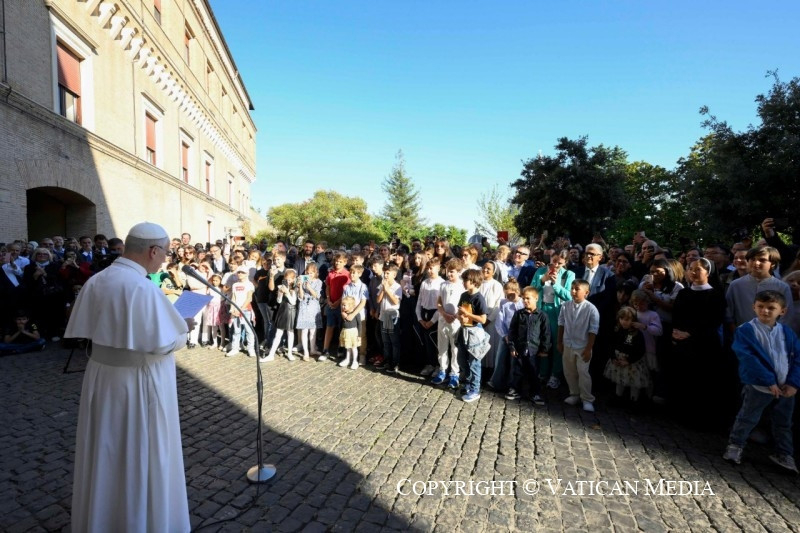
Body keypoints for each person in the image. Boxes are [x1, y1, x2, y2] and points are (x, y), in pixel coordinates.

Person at [65, 221, 192, 532]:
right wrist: (184, 327)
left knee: (105, 451)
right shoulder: (142, 287)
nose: (165, 259)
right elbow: (163, 342)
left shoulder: (97, 280)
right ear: (153, 251)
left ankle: (103, 520)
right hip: (137, 383)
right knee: (140, 452)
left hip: (102, 379)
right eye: (165, 252)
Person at [723, 290, 800, 473]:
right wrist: (767, 381)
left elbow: (797, 358)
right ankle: (735, 445)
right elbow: (748, 358)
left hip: (784, 388)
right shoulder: (746, 331)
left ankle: (784, 453)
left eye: (771, 308)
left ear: (782, 311)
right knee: (747, 417)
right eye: (761, 307)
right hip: (758, 386)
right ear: (754, 307)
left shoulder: (787, 333)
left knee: (783, 422)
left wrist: (793, 383)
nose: (765, 311)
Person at [531, 250, 575, 390]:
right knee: (542, 342)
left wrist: (556, 284)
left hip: (558, 312)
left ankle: (555, 375)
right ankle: (543, 372)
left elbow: (569, 296)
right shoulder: (540, 271)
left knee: (557, 343)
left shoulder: (568, 274)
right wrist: (542, 281)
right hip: (541, 310)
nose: (555, 265)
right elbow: (531, 291)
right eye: (554, 261)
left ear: (565, 263)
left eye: (559, 263)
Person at [558, 280, 600, 412]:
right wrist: (559, 342)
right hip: (568, 344)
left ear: (586, 293)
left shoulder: (591, 309)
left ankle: (587, 398)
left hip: (583, 346)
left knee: (583, 372)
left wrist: (588, 348)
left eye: (577, 289)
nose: (573, 291)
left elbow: (593, 330)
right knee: (569, 371)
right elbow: (561, 324)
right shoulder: (565, 306)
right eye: (572, 288)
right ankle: (574, 393)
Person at [505, 286, 551, 405]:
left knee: (534, 372)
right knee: (517, 370)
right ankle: (515, 389)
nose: (525, 301)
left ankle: (535, 393)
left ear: (536, 298)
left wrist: (544, 349)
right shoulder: (519, 314)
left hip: (534, 350)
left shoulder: (542, 316)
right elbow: (512, 331)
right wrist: (512, 346)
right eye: (523, 298)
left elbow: (546, 333)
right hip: (520, 348)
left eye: (528, 298)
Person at [604, 307, 649, 405]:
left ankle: (634, 401)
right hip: (618, 360)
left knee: (634, 383)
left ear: (633, 320)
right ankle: (618, 397)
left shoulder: (637, 334)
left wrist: (629, 360)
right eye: (621, 319)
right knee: (619, 379)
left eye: (627, 319)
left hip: (632, 363)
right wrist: (613, 357)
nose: (624, 322)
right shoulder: (617, 330)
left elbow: (640, 350)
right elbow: (611, 344)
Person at [456, 269, 489, 403]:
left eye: (466, 280)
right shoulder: (463, 295)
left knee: (474, 362)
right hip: (463, 330)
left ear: (474, 282)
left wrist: (468, 315)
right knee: (462, 360)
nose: (464, 282)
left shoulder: (479, 298)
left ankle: (475, 389)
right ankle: (467, 383)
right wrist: (460, 317)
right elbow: (459, 312)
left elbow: (483, 319)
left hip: (475, 333)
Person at [432, 258, 465, 388]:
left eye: (452, 272)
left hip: (456, 321)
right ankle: (442, 370)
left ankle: (454, 373)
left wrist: (455, 316)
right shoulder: (443, 285)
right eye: (448, 271)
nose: (449, 274)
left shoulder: (462, 286)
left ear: (459, 272)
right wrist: (444, 314)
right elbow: (439, 303)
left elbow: (464, 305)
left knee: (455, 348)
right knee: (442, 347)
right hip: (443, 320)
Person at [488, 279, 524, 392]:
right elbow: (500, 321)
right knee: (500, 358)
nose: (508, 297)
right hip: (506, 335)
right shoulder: (504, 303)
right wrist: (504, 335)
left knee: (514, 361)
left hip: (518, 337)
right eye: (506, 295)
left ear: (517, 292)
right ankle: (496, 381)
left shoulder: (522, 303)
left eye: (510, 294)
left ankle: (512, 384)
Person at [416, 257, 444, 376]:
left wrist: (432, 320)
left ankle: (438, 365)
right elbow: (419, 301)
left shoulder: (442, 283)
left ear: (438, 268)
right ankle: (429, 364)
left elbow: (441, 304)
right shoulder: (424, 283)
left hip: (436, 314)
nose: (429, 271)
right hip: (424, 313)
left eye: (432, 268)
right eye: (428, 268)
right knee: (426, 342)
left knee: (436, 342)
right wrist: (420, 318)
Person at [263, 268, 298, 361]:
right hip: (282, 311)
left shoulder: (294, 289)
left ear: (293, 280)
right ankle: (271, 354)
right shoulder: (281, 287)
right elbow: (278, 301)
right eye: (286, 279)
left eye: (290, 279)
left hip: (291, 311)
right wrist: (280, 293)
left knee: (290, 333)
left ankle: (290, 353)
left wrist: (287, 293)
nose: (288, 281)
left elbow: (293, 302)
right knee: (278, 333)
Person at [320, 252, 349, 361]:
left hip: (341, 305)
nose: (337, 263)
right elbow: (327, 286)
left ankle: (341, 347)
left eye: (340, 262)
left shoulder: (347, 274)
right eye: (336, 261)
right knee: (329, 326)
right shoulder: (331, 273)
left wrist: (338, 301)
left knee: (341, 327)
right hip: (331, 304)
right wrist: (328, 299)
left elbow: (346, 290)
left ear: (345, 262)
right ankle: (325, 349)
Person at [377, 263, 403, 373]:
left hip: (392, 316)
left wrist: (387, 290)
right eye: (385, 273)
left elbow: (396, 301)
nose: (386, 275)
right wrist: (383, 289)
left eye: (388, 273)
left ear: (394, 275)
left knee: (394, 341)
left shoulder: (397, 287)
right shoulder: (382, 285)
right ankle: (387, 360)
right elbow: (378, 300)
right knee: (385, 341)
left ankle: (395, 362)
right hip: (383, 316)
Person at [227, 266, 257, 358]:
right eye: (239, 272)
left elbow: (249, 298)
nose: (240, 274)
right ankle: (235, 348)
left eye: (242, 272)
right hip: (235, 310)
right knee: (236, 330)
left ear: (247, 274)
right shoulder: (235, 285)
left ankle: (251, 349)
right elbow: (233, 298)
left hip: (246, 310)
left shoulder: (249, 284)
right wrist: (232, 309)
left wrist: (241, 309)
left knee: (249, 330)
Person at [296, 263, 323, 361]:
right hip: (304, 307)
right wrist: (300, 286)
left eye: (311, 272)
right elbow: (301, 297)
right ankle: (306, 352)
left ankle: (312, 349)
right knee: (304, 330)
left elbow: (316, 296)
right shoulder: (303, 281)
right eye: (308, 272)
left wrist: (309, 287)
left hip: (313, 307)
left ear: (315, 273)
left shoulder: (319, 282)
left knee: (313, 330)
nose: (309, 274)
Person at [337, 296, 362, 369]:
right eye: (342, 305)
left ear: (351, 306)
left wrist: (359, 335)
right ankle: (347, 359)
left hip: (353, 333)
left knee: (354, 348)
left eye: (344, 305)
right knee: (347, 347)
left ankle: (355, 361)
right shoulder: (343, 314)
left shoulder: (356, 314)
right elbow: (341, 324)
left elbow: (359, 324)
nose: (343, 307)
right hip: (345, 332)